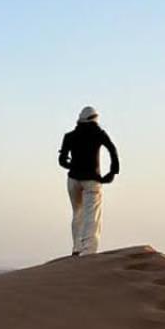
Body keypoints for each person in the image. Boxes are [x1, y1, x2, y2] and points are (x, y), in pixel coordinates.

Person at [57, 106, 120, 256]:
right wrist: (112, 172)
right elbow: (113, 150)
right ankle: (88, 251)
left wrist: (74, 165)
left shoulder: (70, 136)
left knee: (77, 212)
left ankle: (77, 247)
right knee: (92, 215)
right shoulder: (98, 134)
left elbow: (62, 160)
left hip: (73, 180)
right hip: (92, 180)